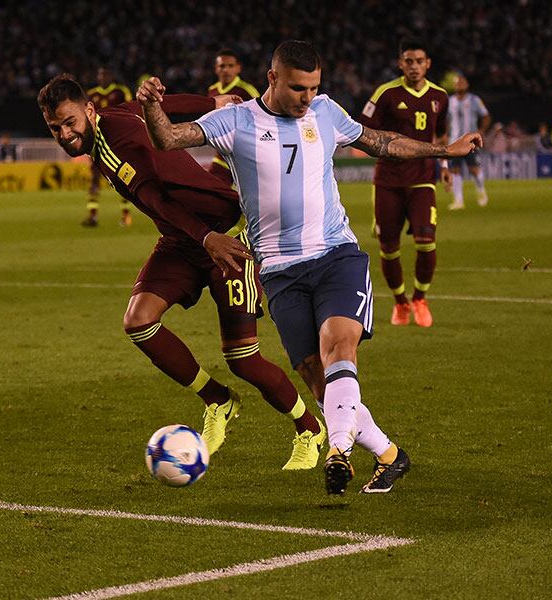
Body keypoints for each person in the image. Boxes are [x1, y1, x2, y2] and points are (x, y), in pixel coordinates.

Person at [138, 40, 481, 494]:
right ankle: (391, 456)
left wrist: (445, 150)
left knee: (339, 348)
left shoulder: (324, 111)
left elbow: (380, 141)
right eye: (299, 88)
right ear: (273, 78)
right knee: (315, 375)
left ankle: (336, 451)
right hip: (279, 272)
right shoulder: (236, 121)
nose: (307, 97)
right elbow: (168, 139)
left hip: (335, 254)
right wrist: (152, 108)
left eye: (315, 87)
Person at [37, 74, 326, 470]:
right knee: (139, 321)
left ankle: (309, 429)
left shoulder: (117, 145)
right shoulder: (112, 117)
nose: (65, 134)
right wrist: (212, 100)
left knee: (242, 357)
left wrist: (209, 239)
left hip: (223, 237)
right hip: (183, 240)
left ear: (88, 110)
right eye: (55, 127)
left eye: (69, 122)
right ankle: (217, 399)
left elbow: (158, 199)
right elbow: (157, 107)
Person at [358, 39, 450, 329]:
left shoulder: (440, 96)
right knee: (389, 247)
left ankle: (420, 298)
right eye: (408, 61)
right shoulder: (386, 93)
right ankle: (400, 302)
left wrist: (444, 165)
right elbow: (362, 129)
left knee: (426, 241)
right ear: (401, 64)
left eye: (419, 61)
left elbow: (441, 136)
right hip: (388, 180)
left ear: (428, 64)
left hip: (423, 179)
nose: (414, 66)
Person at [83, 67, 134, 227]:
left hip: (117, 142)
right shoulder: (91, 94)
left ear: (111, 76)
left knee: (123, 178)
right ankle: (93, 216)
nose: (102, 77)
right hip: (97, 143)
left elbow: (130, 112)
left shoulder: (120, 92)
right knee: (94, 180)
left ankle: (126, 216)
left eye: (105, 74)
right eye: (99, 75)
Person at [206, 49, 260, 185]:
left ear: (238, 68)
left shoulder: (247, 91)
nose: (226, 70)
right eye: (222, 66)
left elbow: (261, 118)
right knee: (211, 187)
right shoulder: (212, 90)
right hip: (222, 152)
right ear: (216, 69)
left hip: (244, 153)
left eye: (230, 66)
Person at [446, 74, 491, 209]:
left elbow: (486, 116)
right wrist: (445, 134)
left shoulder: (474, 100)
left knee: (474, 169)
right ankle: (459, 201)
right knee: (454, 170)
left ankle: (481, 191)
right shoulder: (450, 101)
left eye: (462, 82)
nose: (459, 84)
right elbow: (445, 120)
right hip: (454, 141)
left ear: (467, 85)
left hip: (470, 140)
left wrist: (481, 131)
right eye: (457, 83)